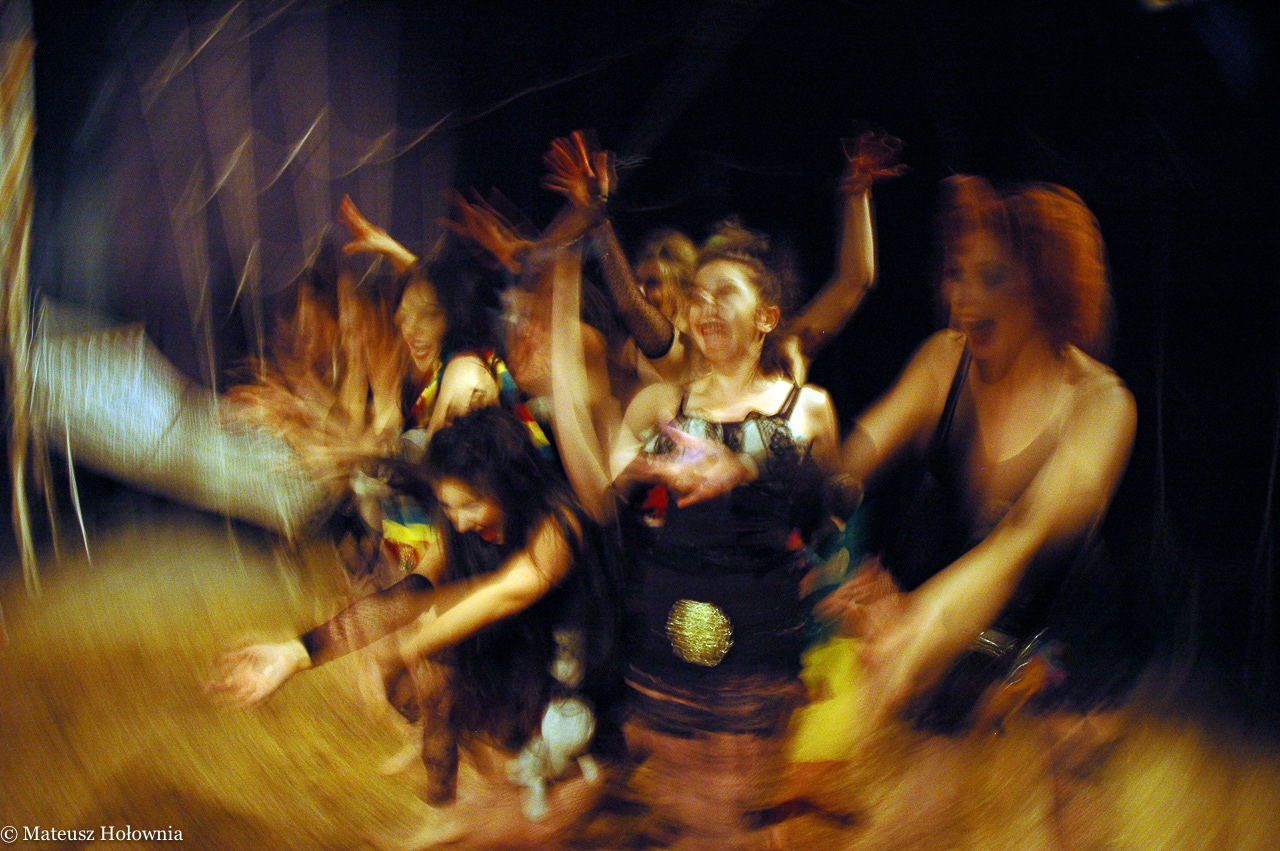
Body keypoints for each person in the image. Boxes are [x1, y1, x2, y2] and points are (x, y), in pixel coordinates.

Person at [547, 211, 840, 847]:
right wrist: (565, 303)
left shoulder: (806, 406)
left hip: (757, 649)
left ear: (766, 317)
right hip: (667, 643)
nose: (706, 307)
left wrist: (741, 462)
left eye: (725, 293)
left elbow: (805, 462)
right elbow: (598, 492)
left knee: (729, 819)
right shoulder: (661, 407)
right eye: (698, 295)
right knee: (685, 815)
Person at [210, 405, 622, 842]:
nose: (458, 521)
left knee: (550, 804)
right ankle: (450, 807)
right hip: (514, 651)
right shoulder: (459, 525)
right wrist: (298, 652)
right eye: (448, 506)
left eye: (472, 505)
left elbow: (500, 594)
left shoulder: (560, 522)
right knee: (440, 694)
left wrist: (404, 650)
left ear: (510, 487)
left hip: (571, 670)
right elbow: (411, 593)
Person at [825, 175, 1136, 734]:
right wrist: (832, 548)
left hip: (1063, 657)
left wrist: (922, 620)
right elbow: (852, 464)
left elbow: (1022, 537)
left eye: (991, 277)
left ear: (1044, 287)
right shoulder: (942, 363)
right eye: (956, 273)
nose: (963, 298)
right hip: (961, 634)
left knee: (1057, 783)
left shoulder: (1102, 404)